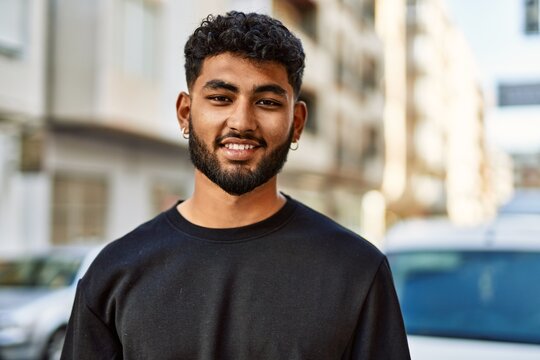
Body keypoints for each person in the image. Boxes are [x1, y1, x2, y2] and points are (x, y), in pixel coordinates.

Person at [61, 11, 410, 360]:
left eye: (268, 103)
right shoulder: (113, 273)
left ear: (297, 122)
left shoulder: (356, 270)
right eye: (220, 98)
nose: (242, 122)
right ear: (185, 113)